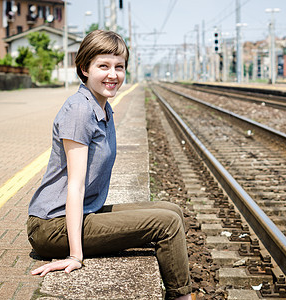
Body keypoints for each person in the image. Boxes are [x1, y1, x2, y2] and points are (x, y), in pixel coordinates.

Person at [27, 30, 192, 300]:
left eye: (119, 67)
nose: (113, 75)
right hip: (50, 227)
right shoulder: (80, 111)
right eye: (103, 66)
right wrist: (75, 255)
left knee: (171, 210)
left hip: (83, 214)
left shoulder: (102, 106)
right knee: (167, 224)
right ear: (84, 68)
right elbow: (75, 186)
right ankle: (182, 296)